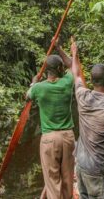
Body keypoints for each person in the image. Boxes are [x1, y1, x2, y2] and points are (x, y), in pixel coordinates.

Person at [62, 39, 104, 199]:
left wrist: (74, 53)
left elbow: (76, 73)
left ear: (92, 81)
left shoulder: (82, 96)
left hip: (81, 165)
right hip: (98, 170)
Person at [26, 47, 76, 199]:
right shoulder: (67, 82)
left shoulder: (39, 88)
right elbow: (72, 65)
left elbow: (27, 97)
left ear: (47, 71)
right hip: (68, 137)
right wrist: (60, 48)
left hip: (49, 139)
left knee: (52, 181)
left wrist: (33, 83)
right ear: (60, 68)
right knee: (68, 179)